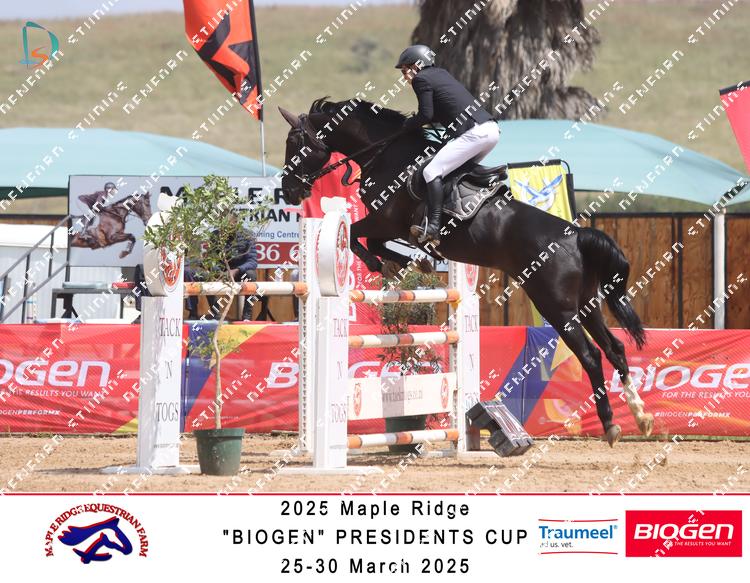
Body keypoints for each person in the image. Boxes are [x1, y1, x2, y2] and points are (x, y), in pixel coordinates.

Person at [396, 44, 500, 245]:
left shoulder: (421, 79)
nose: (404, 77)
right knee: (453, 173)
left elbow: (426, 114)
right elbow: (439, 112)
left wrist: (406, 125)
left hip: (475, 133)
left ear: (416, 66)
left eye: (404, 70)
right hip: (491, 130)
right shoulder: (440, 74)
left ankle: (433, 227)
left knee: (431, 171)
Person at [185, 226, 258, 320]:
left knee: (250, 275)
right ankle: (212, 313)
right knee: (198, 274)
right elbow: (211, 258)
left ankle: (246, 316)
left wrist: (237, 270)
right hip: (220, 271)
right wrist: (218, 271)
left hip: (239, 272)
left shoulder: (247, 235)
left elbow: (252, 261)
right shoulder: (215, 235)